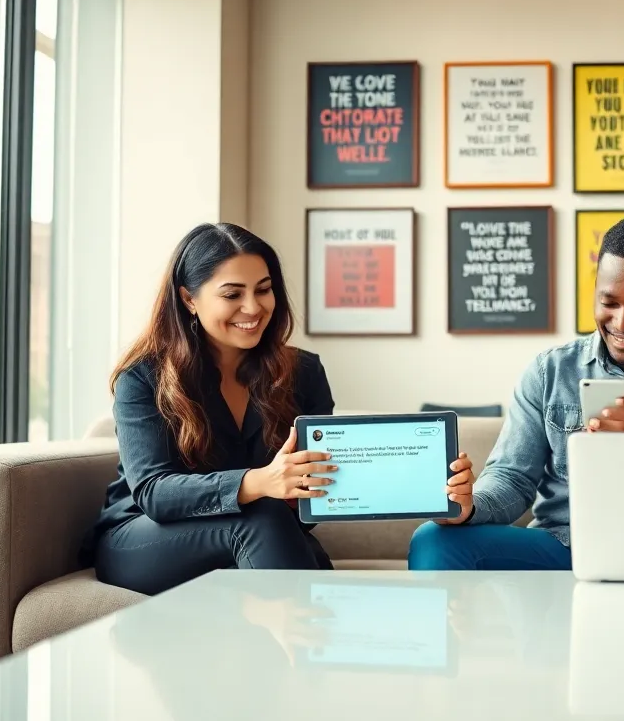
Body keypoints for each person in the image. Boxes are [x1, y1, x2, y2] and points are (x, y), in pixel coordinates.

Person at [81, 222, 477, 595]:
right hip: (145, 536)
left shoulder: (304, 372)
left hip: (261, 532)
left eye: (264, 289)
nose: (253, 308)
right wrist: (261, 482)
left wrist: (433, 489)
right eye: (232, 294)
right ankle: (305, 658)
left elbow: (315, 503)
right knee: (268, 526)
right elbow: (154, 493)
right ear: (189, 299)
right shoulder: (144, 377)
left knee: (290, 539)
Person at [408, 214, 624, 571]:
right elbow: (512, 479)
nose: (622, 323)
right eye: (609, 303)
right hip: (567, 548)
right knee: (433, 539)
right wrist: (469, 507)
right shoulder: (550, 371)